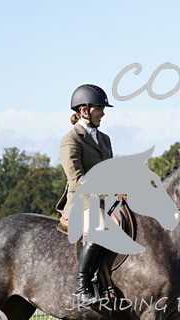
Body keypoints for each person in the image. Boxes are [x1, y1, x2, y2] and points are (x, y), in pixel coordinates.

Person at [57, 84, 114, 307]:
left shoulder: (105, 139)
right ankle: (82, 289)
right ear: (84, 111)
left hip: (105, 200)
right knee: (100, 229)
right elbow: (77, 180)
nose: (103, 112)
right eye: (99, 108)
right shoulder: (70, 140)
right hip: (82, 201)